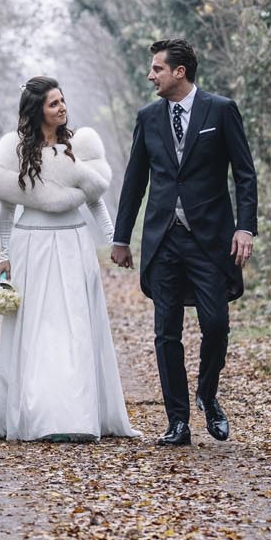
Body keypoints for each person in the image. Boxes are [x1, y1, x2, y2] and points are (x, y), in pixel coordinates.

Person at [109, 39, 258, 446]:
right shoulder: (148, 117)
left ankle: (208, 396)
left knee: (216, 324)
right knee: (165, 333)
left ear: (180, 72)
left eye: (157, 68)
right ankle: (177, 421)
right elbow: (135, 181)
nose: (150, 75)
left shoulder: (221, 111)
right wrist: (121, 237)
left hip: (211, 239)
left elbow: (244, 174)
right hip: (163, 240)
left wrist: (245, 227)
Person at [0, 77, 138, 442]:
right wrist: (5, 254)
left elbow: (96, 201)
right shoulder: (15, 150)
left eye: (63, 101)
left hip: (73, 243)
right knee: (37, 330)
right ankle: (40, 414)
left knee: (76, 326)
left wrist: (115, 241)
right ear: (37, 111)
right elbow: (7, 208)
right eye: (53, 103)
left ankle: (78, 415)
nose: (62, 108)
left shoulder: (77, 148)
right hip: (31, 245)